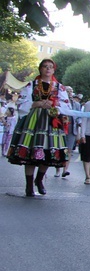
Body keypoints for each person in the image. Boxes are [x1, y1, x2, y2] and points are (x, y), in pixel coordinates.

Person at [6, 59, 71, 196]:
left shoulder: (60, 87)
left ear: (54, 70)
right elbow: (22, 103)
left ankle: (39, 180)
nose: (48, 69)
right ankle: (29, 186)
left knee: (49, 152)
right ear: (40, 69)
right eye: (45, 67)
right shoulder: (32, 84)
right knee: (30, 153)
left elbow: (66, 105)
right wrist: (37, 103)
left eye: (50, 67)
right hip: (33, 121)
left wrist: (55, 106)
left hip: (51, 121)